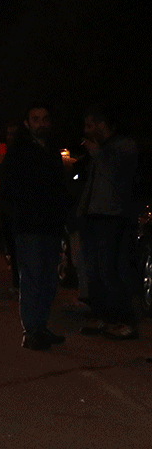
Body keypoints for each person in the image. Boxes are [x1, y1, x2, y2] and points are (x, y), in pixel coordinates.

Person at [0, 105, 71, 351]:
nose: (41, 123)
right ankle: (31, 331)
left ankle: (41, 326)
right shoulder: (19, 152)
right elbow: (8, 190)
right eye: (36, 119)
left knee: (49, 279)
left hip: (50, 226)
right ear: (27, 123)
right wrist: (17, 219)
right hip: (29, 226)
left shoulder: (51, 150)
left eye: (45, 119)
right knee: (32, 279)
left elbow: (60, 188)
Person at [77, 104, 140, 340]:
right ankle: (102, 315)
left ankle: (123, 320)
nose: (88, 130)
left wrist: (97, 153)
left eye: (92, 124)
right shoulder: (99, 150)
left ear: (104, 124)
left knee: (111, 269)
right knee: (93, 270)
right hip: (92, 216)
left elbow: (117, 176)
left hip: (113, 217)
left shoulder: (123, 146)